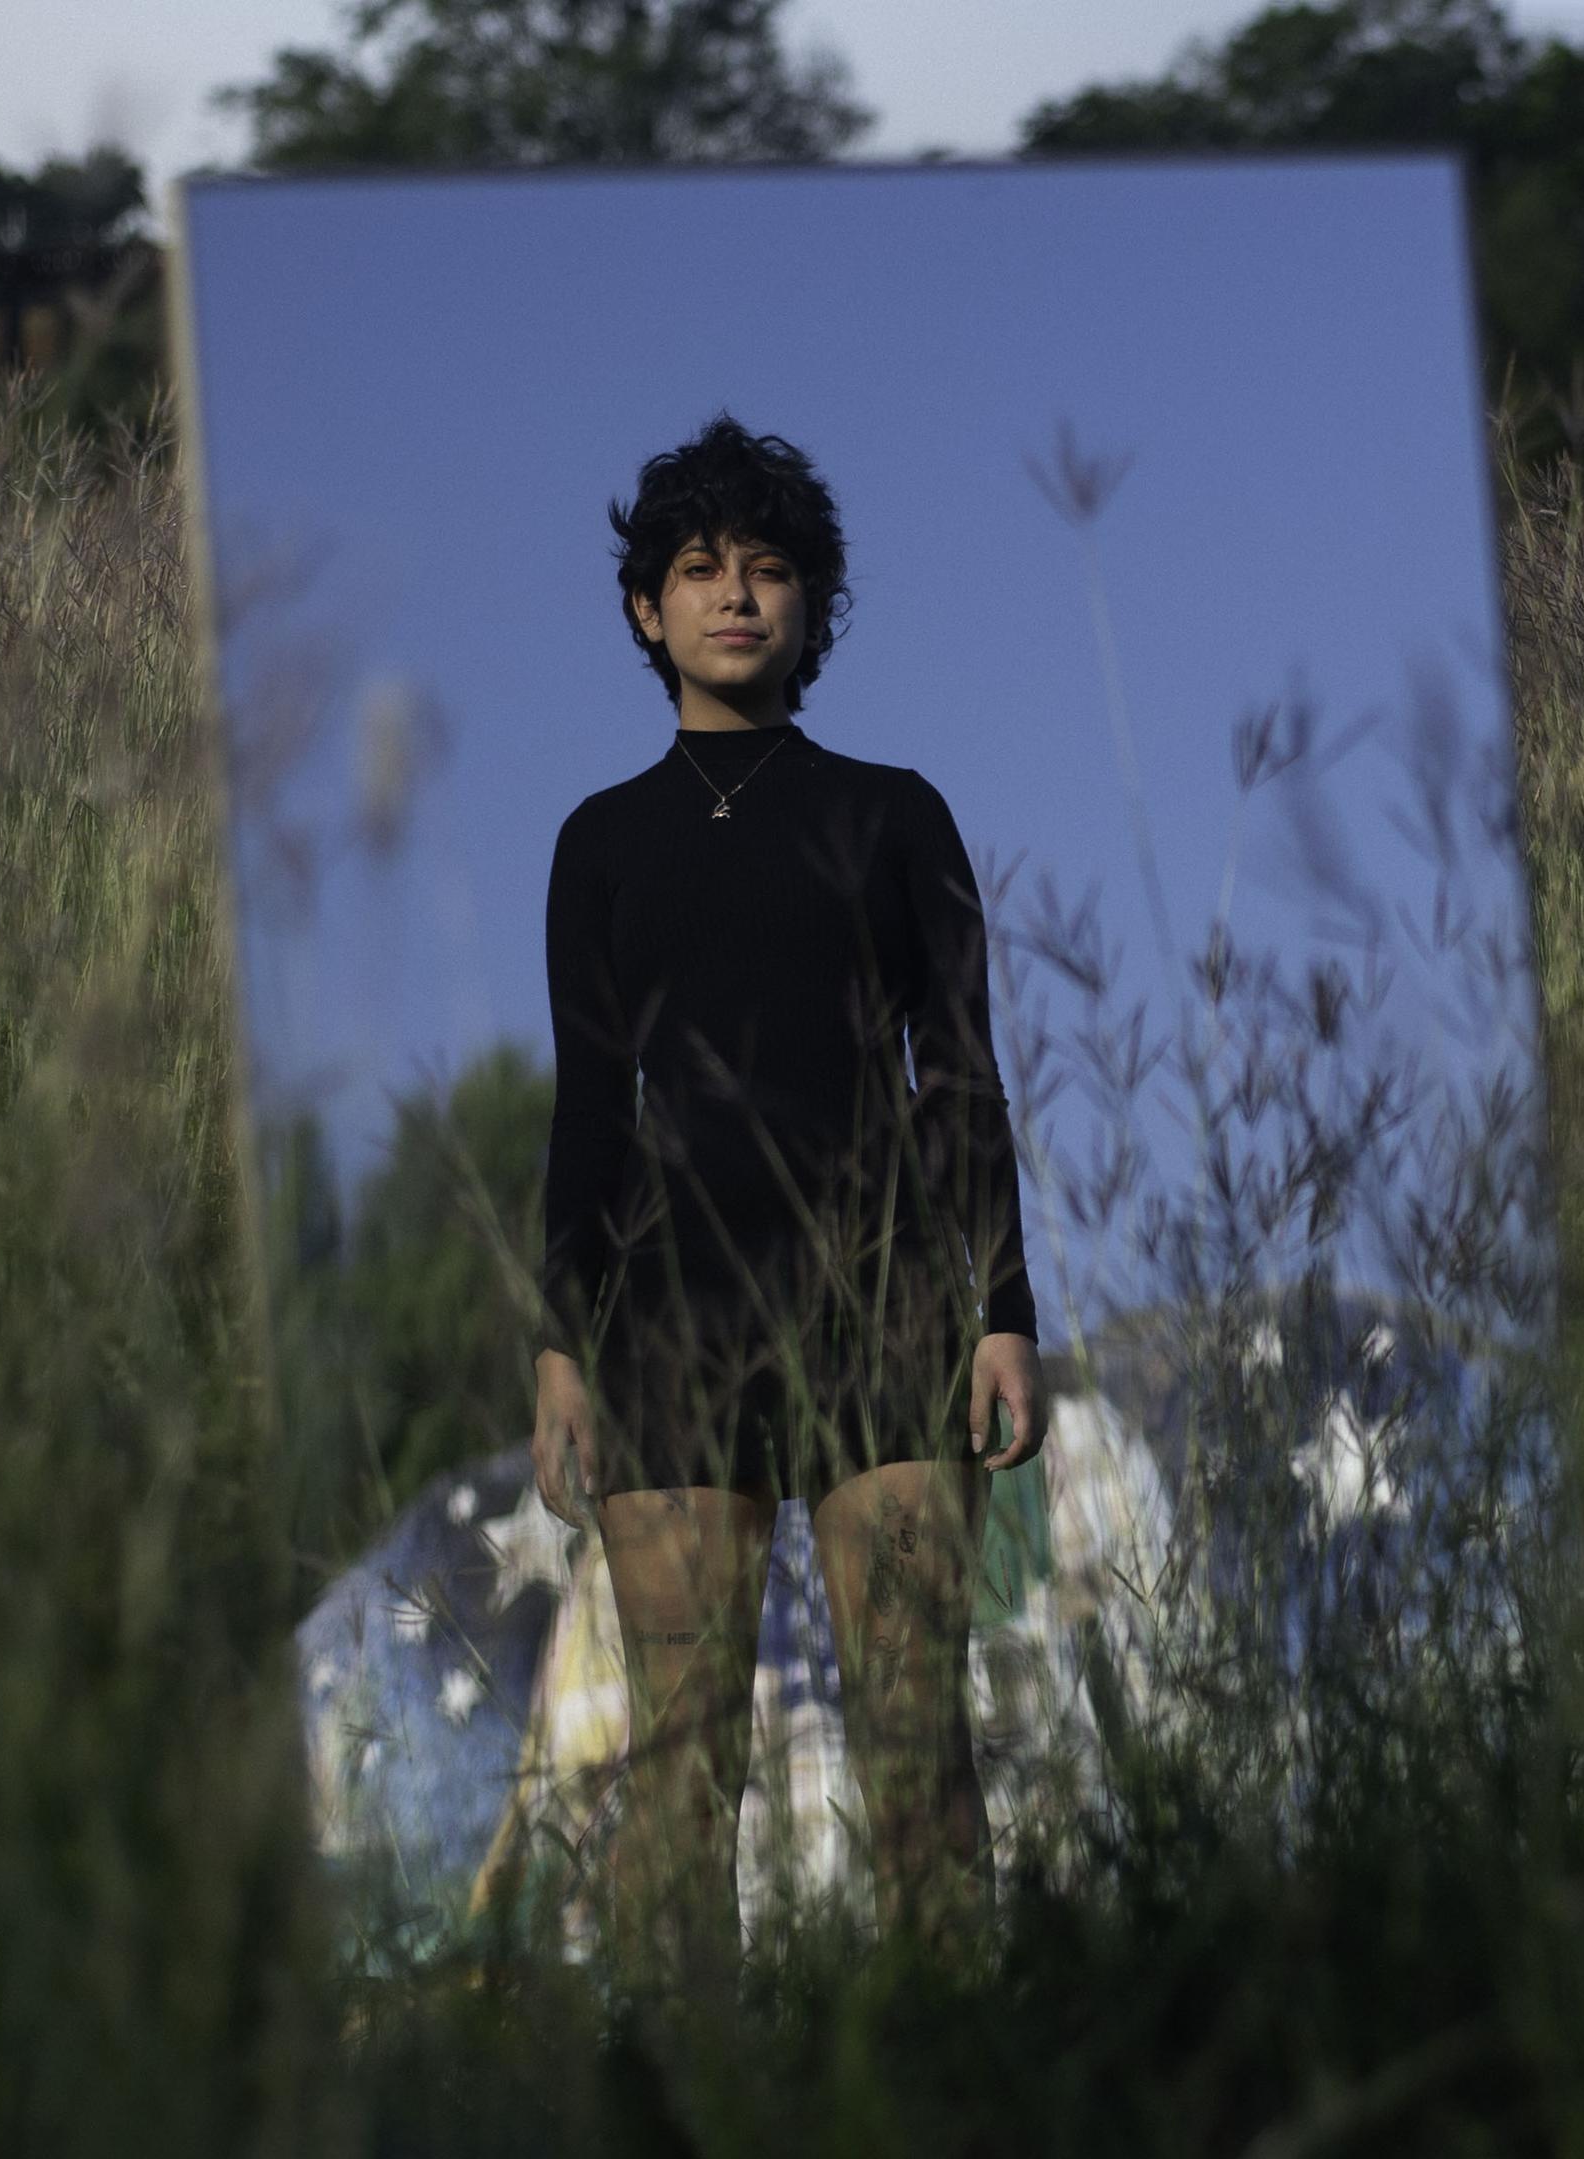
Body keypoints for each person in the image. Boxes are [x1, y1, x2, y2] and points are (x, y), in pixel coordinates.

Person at [531, 414, 1044, 1973]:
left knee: (915, 1749)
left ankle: (957, 2088)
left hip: (882, 1307)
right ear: (647, 609)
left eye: (767, 570)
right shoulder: (600, 844)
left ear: (812, 604)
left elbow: (960, 1075)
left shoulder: (896, 814)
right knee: (681, 1770)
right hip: (671, 1325)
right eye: (699, 570)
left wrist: (1003, 1310)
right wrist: (562, 1346)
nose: (734, 596)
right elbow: (586, 1112)